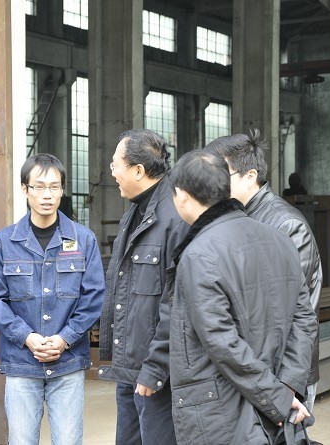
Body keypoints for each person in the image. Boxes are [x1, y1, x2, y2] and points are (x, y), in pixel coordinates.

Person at [167, 150, 317, 445]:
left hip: (221, 410)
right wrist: (287, 386)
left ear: (181, 195)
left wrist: (277, 397)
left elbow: (221, 341)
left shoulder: (199, 254)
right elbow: (305, 319)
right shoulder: (279, 239)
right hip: (274, 398)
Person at [0, 153, 105, 445]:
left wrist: (65, 338)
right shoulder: (4, 242)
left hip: (68, 361)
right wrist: (26, 337)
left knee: (68, 441)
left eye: (54, 187)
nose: (47, 195)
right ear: (25, 189)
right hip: (22, 362)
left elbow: (94, 296)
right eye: (39, 187)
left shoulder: (83, 239)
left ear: (62, 190)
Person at [204, 130, 323, 423]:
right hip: (252, 372)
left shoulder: (285, 224)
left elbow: (294, 313)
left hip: (281, 374)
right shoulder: (230, 219)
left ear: (250, 176)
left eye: (220, 175)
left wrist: (285, 385)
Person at [97, 129, 188, 444]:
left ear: (138, 170)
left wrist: (155, 368)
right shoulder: (134, 214)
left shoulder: (175, 217)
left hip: (156, 373)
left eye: (115, 164)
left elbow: (177, 303)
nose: (112, 172)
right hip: (130, 364)